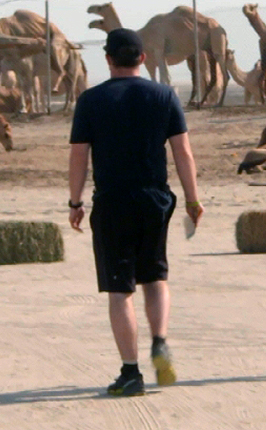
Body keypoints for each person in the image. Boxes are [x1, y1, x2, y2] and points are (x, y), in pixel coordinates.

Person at [68, 28, 204, 396]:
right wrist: (192, 200)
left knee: (120, 290)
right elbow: (183, 153)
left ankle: (131, 373)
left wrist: (75, 201)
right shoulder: (164, 95)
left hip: (112, 202)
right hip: (154, 200)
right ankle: (159, 341)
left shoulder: (91, 100)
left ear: (108, 59)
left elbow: (79, 155)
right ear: (142, 59)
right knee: (155, 276)